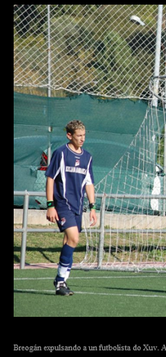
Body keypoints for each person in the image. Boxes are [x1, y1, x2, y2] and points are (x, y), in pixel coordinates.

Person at [45, 120, 97, 296]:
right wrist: (50, 205)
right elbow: (50, 178)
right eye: (78, 135)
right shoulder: (61, 153)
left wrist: (92, 206)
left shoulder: (87, 157)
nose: (82, 139)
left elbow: (89, 182)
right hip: (62, 203)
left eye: (84, 135)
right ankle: (60, 281)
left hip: (78, 206)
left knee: (69, 241)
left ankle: (62, 282)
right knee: (74, 238)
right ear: (69, 135)